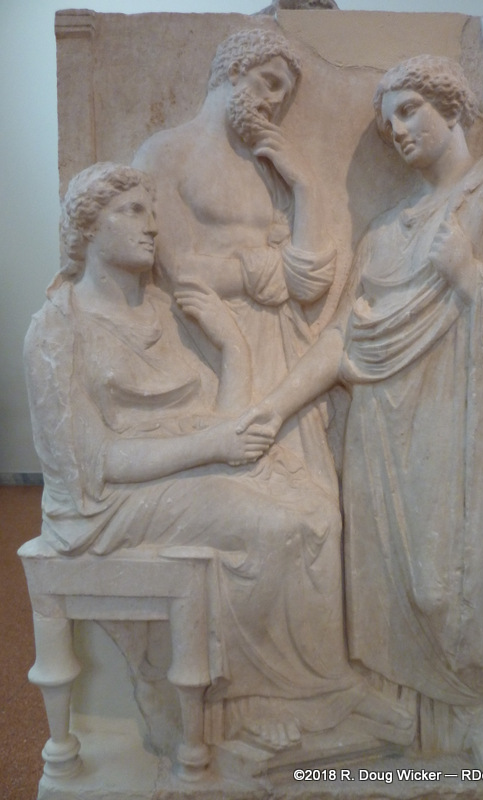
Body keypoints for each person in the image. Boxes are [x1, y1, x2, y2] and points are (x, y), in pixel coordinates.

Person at [23, 161, 413, 754]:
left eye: (152, 212)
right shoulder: (57, 329)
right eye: (132, 211)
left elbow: (217, 417)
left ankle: (322, 689)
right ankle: (251, 701)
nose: (151, 226)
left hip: (181, 469)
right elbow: (93, 462)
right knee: (272, 526)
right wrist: (213, 447)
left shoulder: (161, 311)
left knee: (316, 511)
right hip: (108, 504)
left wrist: (232, 348)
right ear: (87, 228)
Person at [238, 55, 483, 769]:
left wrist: (471, 276)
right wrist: (275, 406)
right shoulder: (385, 231)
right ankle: (398, 717)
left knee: (448, 584)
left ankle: (475, 703)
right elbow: (342, 337)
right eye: (388, 123)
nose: (399, 130)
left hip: (457, 421)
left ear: (454, 108)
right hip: (379, 431)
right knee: (383, 587)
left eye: (410, 110)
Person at [132, 27, 339, 501]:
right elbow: (181, 274)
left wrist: (305, 185)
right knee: (236, 497)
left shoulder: (269, 166)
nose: (274, 103)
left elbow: (308, 282)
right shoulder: (165, 153)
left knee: (311, 498)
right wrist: (269, 270)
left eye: (284, 95)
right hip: (208, 339)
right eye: (269, 82)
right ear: (233, 69)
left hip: (280, 348)